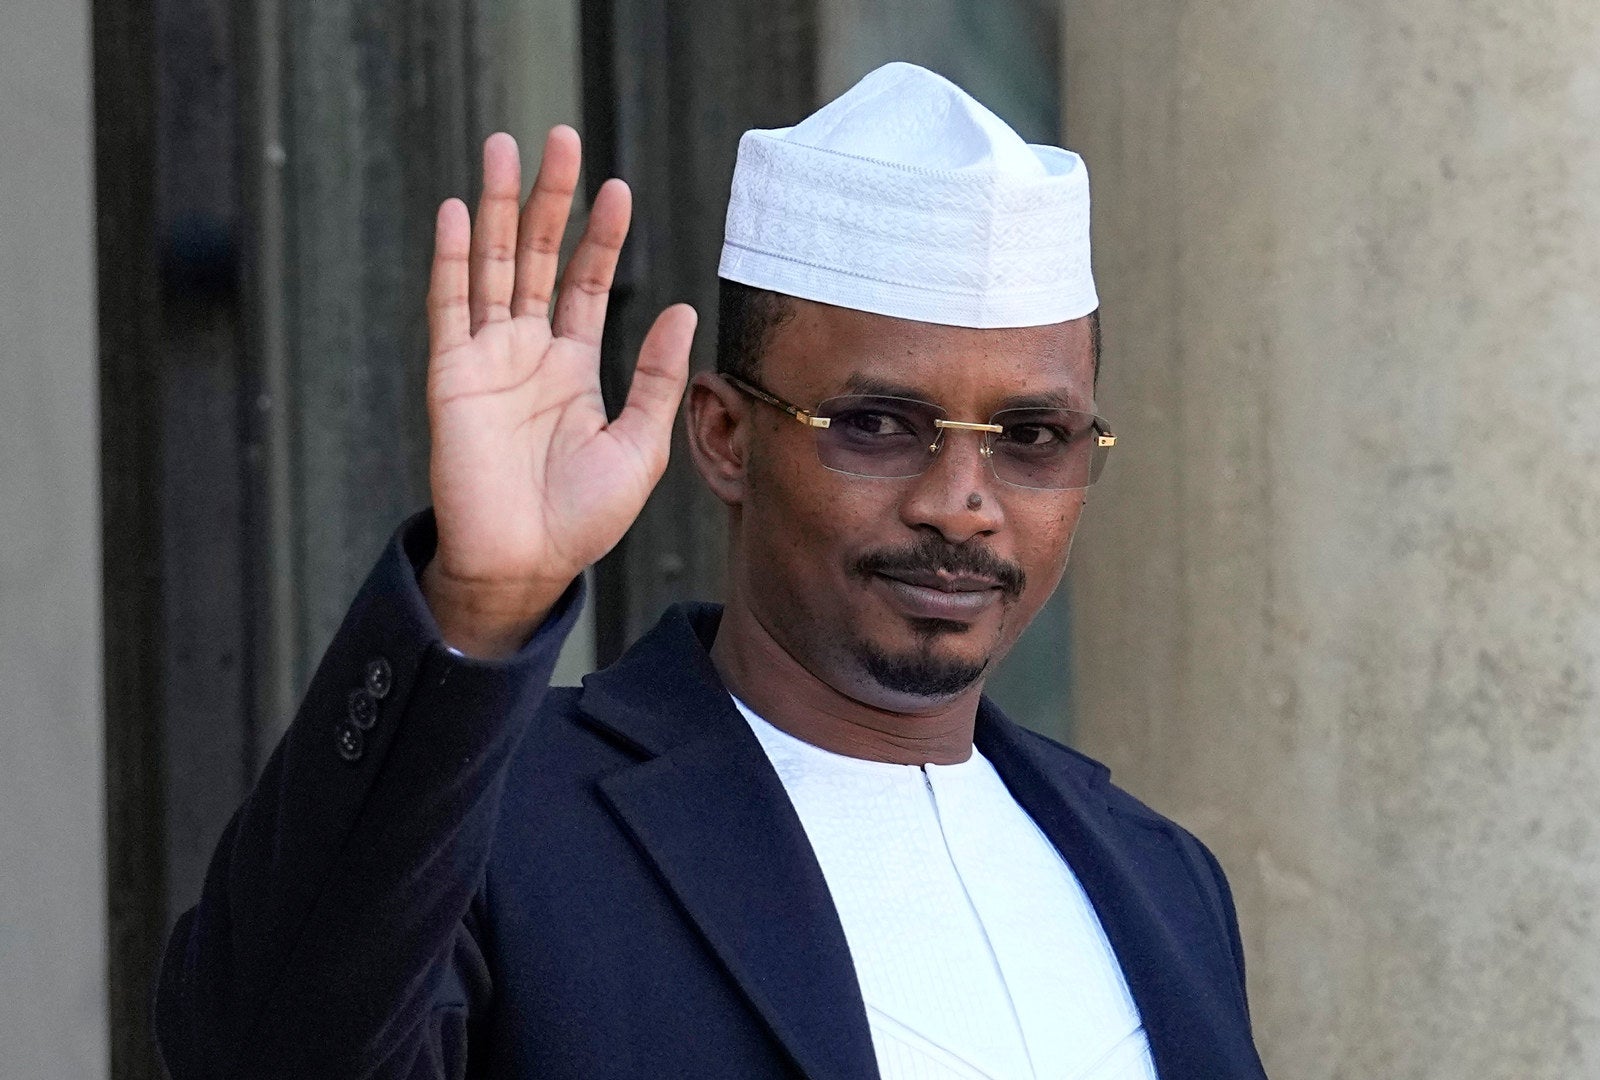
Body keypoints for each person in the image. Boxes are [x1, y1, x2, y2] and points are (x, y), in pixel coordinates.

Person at [154, 63, 1268, 1079]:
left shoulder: (1162, 878)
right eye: (878, 424)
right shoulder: (509, 823)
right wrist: (481, 606)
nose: (960, 504)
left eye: (1030, 438)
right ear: (727, 437)